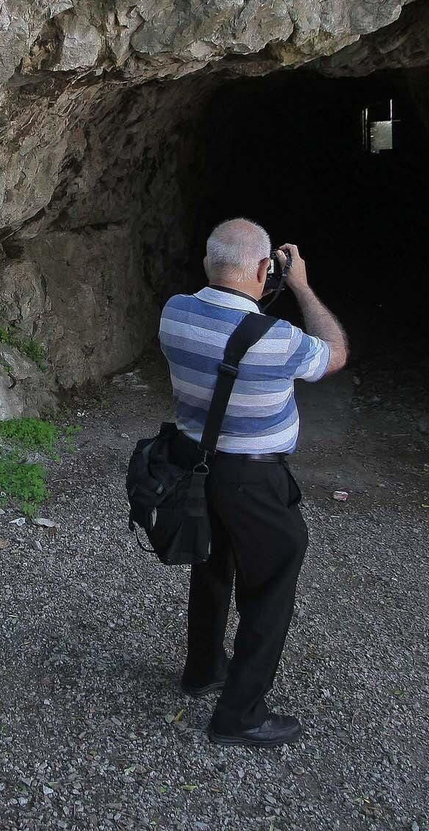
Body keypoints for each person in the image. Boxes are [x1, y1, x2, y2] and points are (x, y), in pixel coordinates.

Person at [157, 218, 349, 747]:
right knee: (269, 587)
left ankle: (202, 670)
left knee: (212, 565)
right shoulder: (280, 340)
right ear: (266, 270)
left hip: (194, 469)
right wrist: (302, 286)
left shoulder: (173, 314)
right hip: (254, 480)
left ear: (206, 263)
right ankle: (239, 714)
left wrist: (257, 291)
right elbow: (334, 354)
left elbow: (227, 331)